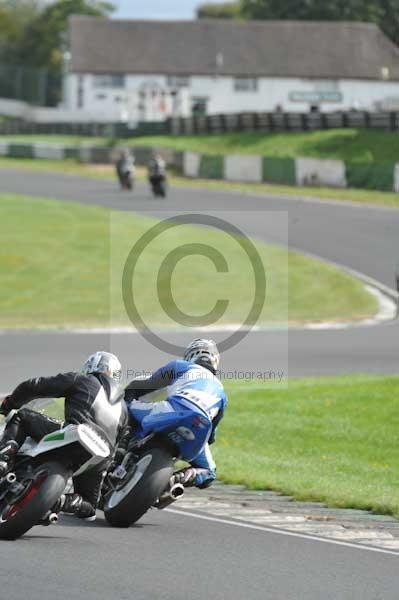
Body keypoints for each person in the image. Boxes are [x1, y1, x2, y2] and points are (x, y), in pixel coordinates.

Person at [0, 351, 128, 521]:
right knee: (89, 507)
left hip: (78, 431)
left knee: (22, 417)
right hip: (100, 454)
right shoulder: (124, 409)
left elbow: (34, 386)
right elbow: (122, 443)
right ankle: (63, 502)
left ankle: (4, 459)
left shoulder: (83, 380)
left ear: (90, 367)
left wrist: (9, 404)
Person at [124, 339, 227, 489]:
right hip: (200, 426)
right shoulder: (222, 393)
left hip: (172, 409)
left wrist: (128, 396)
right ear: (215, 360)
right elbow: (211, 437)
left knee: (126, 409)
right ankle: (177, 479)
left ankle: (119, 451)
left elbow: (146, 385)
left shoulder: (181, 366)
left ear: (190, 355)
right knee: (209, 472)